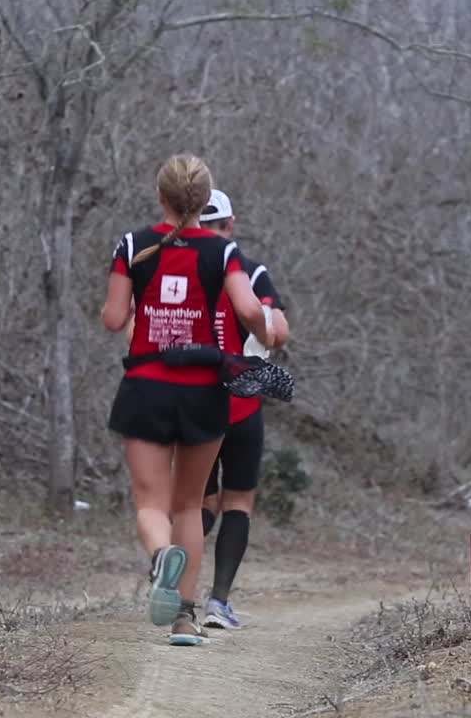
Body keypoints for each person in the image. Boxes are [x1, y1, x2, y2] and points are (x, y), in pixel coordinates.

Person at [101, 155, 275, 647]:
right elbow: (249, 309)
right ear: (203, 201)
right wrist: (264, 334)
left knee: (150, 504)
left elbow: (114, 318)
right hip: (205, 392)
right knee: (189, 506)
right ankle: (184, 618)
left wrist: (142, 307)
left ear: (161, 196)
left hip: (146, 387)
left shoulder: (133, 245)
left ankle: (162, 559)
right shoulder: (224, 251)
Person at [196, 188, 290, 630]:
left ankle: (171, 574)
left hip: (190, 402)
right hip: (241, 404)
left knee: (198, 501)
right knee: (238, 500)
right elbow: (277, 330)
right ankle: (218, 603)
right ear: (230, 225)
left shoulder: (170, 269)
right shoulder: (250, 272)